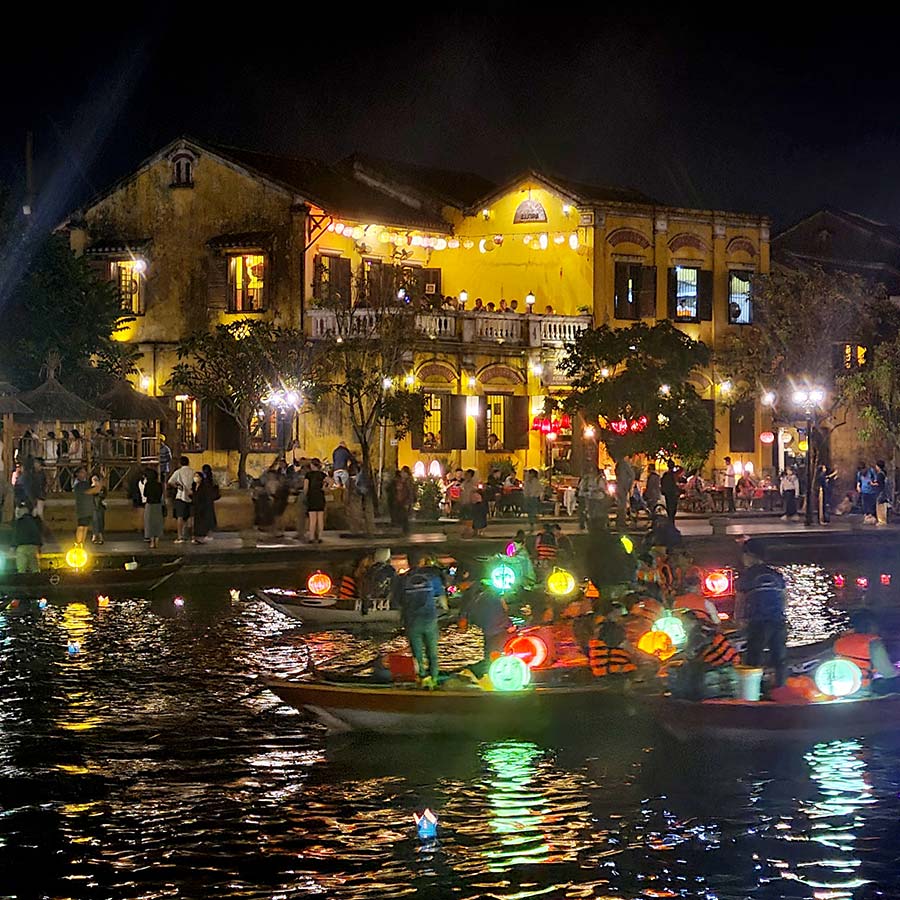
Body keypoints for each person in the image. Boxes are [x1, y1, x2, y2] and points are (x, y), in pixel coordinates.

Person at [392, 548, 447, 688]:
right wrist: (445, 609)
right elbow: (441, 597)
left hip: (412, 621)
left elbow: (397, 602)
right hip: (430, 619)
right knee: (433, 653)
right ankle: (434, 679)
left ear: (408, 562)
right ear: (422, 561)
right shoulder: (432, 577)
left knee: (417, 654)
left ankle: (421, 679)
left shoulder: (401, 579)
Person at [739, 539, 787, 688]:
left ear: (749, 556)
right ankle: (780, 687)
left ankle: (752, 690)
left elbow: (740, 601)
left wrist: (739, 619)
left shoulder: (748, 576)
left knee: (753, 657)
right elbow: (784, 598)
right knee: (779, 659)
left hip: (758, 622)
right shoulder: (776, 574)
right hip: (778, 621)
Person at [834, 611, 900, 694]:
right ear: (870, 625)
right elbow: (888, 673)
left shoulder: (839, 642)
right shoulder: (874, 643)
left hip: (841, 686)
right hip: (864, 686)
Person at [459, 582, 515, 677]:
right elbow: (505, 610)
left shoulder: (473, 602)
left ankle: (490, 672)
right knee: (496, 652)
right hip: (501, 629)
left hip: (489, 631)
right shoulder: (495, 597)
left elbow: (463, 622)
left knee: (490, 653)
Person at [167, 456, 195, 544]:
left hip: (180, 496)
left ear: (180, 463)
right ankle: (192, 536)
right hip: (191, 496)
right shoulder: (193, 472)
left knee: (180, 516)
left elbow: (170, 482)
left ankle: (180, 536)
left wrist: (177, 486)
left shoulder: (178, 472)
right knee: (191, 517)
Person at [72, 466, 101, 546]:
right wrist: (96, 483)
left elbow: (96, 490)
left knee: (85, 527)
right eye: (81, 472)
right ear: (77, 474)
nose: (84, 474)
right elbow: (92, 490)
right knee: (81, 526)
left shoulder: (85, 483)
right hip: (82, 509)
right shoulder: (78, 484)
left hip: (88, 508)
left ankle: (82, 544)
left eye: (84, 472)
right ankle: (78, 543)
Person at [13, 502, 43, 573]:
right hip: (33, 547)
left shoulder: (18, 522)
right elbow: (38, 533)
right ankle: (36, 582)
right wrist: (39, 546)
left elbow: (15, 534)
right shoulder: (35, 521)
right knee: (35, 569)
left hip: (21, 547)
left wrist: (13, 546)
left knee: (21, 569)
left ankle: (22, 582)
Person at [304, 458, 328, 543]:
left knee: (312, 519)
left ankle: (311, 537)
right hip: (320, 496)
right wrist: (325, 487)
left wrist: (305, 495)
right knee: (320, 518)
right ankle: (320, 537)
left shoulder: (308, 475)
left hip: (311, 497)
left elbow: (306, 487)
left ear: (312, 465)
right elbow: (331, 481)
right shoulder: (322, 475)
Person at [191, 471, 215, 544]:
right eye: (195, 476)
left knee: (202, 522)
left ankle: (201, 537)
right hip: (196, 507)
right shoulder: (194, 486)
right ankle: (196, 537)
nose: (196, 478)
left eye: (197, 476)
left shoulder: (204, 487)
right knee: (196, 522)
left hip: (202, 507)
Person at [143, 468, 165, 548]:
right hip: (158, 505)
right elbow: (161, 494)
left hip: (150, 505)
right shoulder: (159, 485)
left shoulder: (148, 484)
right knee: (158, 523)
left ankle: (152, 542)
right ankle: (157, 541)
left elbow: (145, 494)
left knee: (149, 523)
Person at [394, 466, 415, 535]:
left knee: (404, 516)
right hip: (401, 500)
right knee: (402, 516)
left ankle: (406, 531)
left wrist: (409, 502)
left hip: (405, 500)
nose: (401, 474)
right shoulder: (401, 481)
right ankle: (404, 531)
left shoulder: (408, 482)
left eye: (403, 472)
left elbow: (410, 492)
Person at [615, 456, 635, 526]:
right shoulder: (623, 464)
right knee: (622, 505)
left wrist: (629, 485)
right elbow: (632, 475)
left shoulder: (621, 465)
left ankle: (620, 520)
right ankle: (621, 521)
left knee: (621, 504)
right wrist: (629, 485)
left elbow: (632, 475)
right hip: (622, 486)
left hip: (621, 486)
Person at [202, 464, 221, 532]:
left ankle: (206, 526)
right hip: (210, 497)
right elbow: (216, 485)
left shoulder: (202, 476)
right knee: (210, 511)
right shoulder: (213, 477)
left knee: (204, 512)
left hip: (204, 497)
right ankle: (211, 525)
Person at [660, 459, 679, 524]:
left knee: (670, 508)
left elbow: (662, 483)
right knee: (672, 508)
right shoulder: (673, 475)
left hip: (668, 493)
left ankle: (671, 522)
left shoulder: (667, 475)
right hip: (672, 493)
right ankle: (671, 522)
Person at [91, 474, 107, 544]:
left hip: (100, 506)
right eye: (94, 480)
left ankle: (100, 536)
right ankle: (94, 536)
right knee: (95, 521)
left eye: (96, 480)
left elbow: (103, 495)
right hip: (93, 507)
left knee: (101, 521)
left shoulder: (102, 488)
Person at [874, 460, 889, 526]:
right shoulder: (884, 473)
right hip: (884, 491)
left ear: (878, 466)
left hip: (880, 491)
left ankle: (881, 521)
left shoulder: (880, 474)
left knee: (880, 506)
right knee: (883, 506)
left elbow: (878, 483)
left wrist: (872, 483)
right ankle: (883, 520)